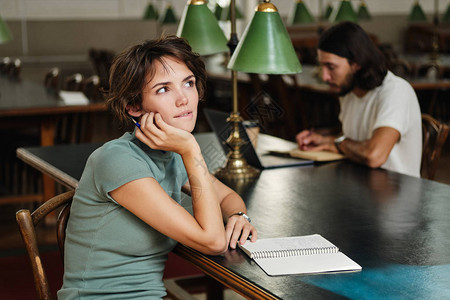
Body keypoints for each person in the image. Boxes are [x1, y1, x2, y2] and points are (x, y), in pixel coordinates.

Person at [58, 35, 257, 299]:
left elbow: (229, 197)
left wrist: (238, 217)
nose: (184, 99)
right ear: (133, 106)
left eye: (188, 83)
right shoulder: (117, 160)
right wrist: (191, 149)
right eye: (164, 89)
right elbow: (214, 241)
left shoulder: (171, 156)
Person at [296, 22, 422, 177]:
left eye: (331, 67)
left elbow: (374, 156)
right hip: (361, 187)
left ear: (356, 64)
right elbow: (356, 142)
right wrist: (325, 141)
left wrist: (338, 143)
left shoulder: (395, 91)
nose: (324, 76)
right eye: (322, 66)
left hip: (398, 196)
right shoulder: (349, 92)